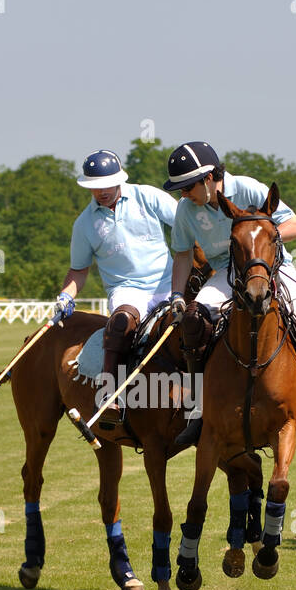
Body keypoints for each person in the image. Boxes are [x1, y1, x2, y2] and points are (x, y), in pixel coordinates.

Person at [163, 140, 296, 446]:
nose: (183, 195)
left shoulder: (248, 189)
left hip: (273, 268)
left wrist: (264, 235)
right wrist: (176, 295)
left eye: (187, 187)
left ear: (209, 179)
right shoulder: (187, 210)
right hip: (226, 273)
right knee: (194, 322)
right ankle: (198, 412)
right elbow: (183, 255)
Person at [53, 150, 177, 429]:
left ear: (119, 180)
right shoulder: (85, 224)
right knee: (121, 323)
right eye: (94, 188)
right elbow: (78, 270)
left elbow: (185, 221)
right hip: (127, 289)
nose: (100, 192)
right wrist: (65, 296)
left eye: (106, 185)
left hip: (169, 282)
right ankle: (110, 394)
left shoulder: (148, 196)